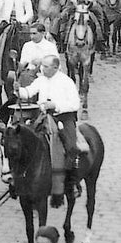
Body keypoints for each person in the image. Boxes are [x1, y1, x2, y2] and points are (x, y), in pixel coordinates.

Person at [16, 55, 85, 194]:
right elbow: (29, 92)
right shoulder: (41, 79)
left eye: (46, 67)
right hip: (43, 116)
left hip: (63, 117)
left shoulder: (66, 81)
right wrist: (19, 89)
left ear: (55, 67)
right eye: (43, 66)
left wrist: (55, 105)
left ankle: (71, 180)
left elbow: (75, 104)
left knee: (70, 146)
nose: (43, 69)